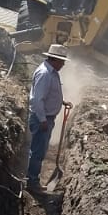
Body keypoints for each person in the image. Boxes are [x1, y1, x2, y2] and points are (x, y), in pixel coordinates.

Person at [25, 48, 67, 191]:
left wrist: (61, 102)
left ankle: (33, 179)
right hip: (41, 119)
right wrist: (42, 120)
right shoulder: (45, 74)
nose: (63, 64)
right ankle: (32, 182)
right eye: (62, 61)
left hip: (46, 118)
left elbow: (49, 94)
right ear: (54, 59)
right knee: (38, 151)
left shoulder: (52, 72)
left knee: (40, 150)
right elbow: (37, 100)